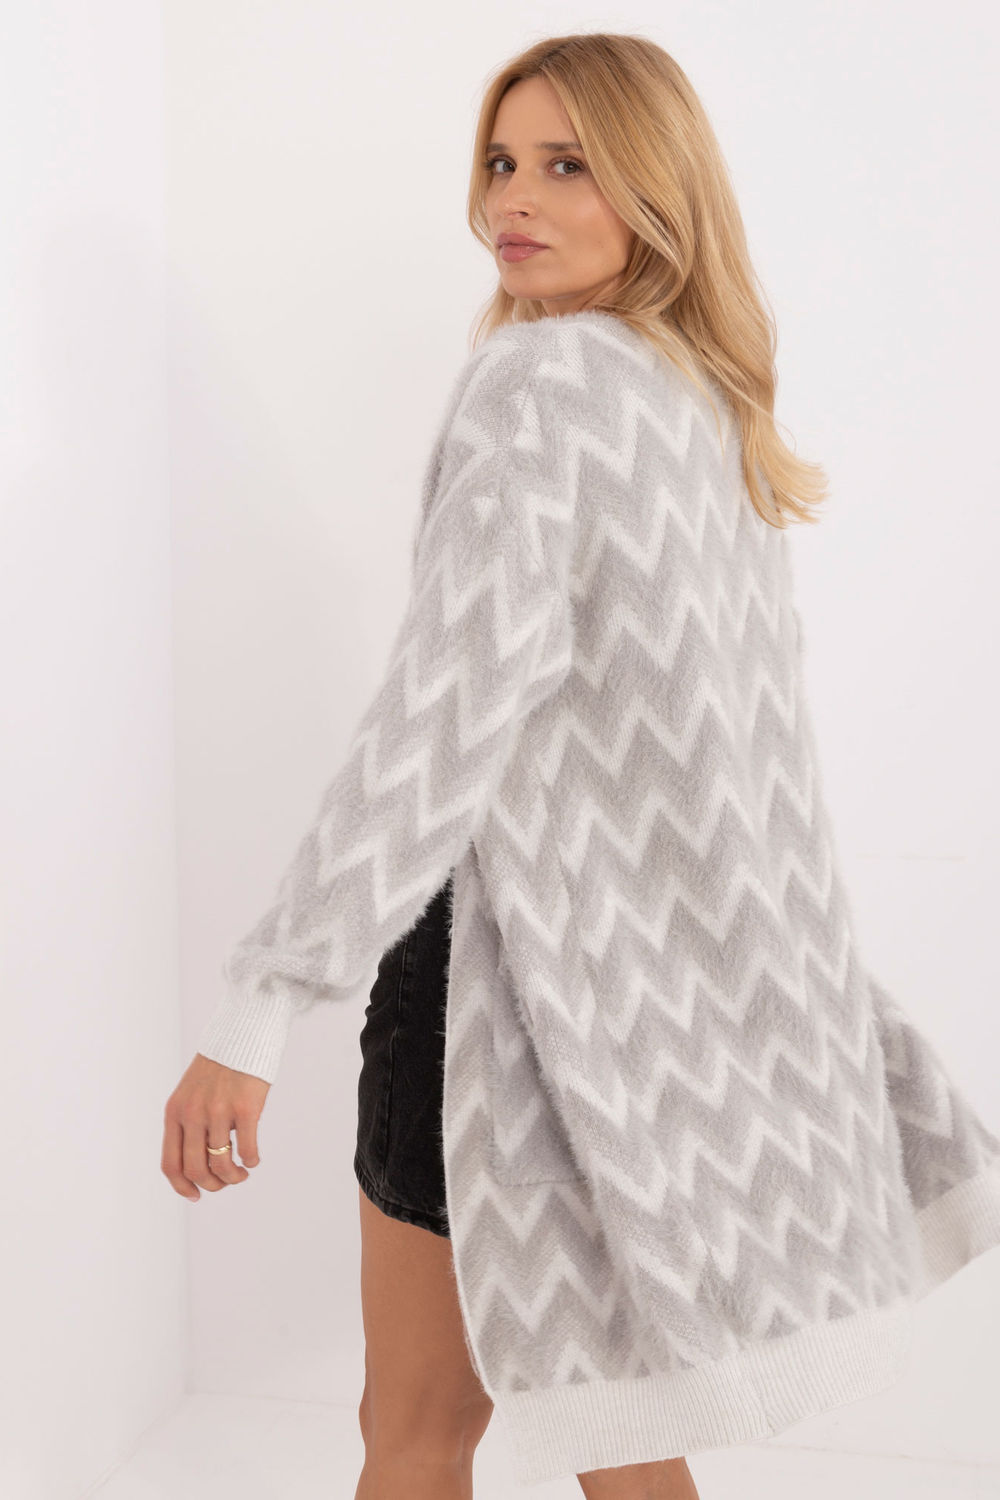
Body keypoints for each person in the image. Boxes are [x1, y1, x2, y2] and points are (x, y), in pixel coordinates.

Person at [161, 32, 1000, 1500]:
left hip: (499, 987)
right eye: (501, 161)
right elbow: (752, 753)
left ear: (656, 186)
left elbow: (441, 722)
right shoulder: (703, 401)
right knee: (612, 1422)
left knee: (416, 1432)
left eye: (568, 165)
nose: (515, 199)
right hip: (643, 1006)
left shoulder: (540, 389)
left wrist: (261, 1001)